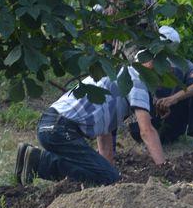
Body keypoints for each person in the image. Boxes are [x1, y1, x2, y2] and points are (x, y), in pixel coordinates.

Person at [16, 62, 165, 186]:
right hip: (61, 128)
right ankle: (39, 162)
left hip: (50, 123)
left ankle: (31, 158)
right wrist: (165, 170)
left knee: (107, 176)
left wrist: (106, 170)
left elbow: (105, 137)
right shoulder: (137, 81)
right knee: (108, 178)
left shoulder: (116, 74)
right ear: (152, 65)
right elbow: (146, 131)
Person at [129, 26, 193, 149]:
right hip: (145, 117)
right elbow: (135, 85)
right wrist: (155, 100)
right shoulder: (143, 59)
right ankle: (151, 137)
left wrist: (174, 99)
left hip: (173, 118)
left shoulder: (181, 63)